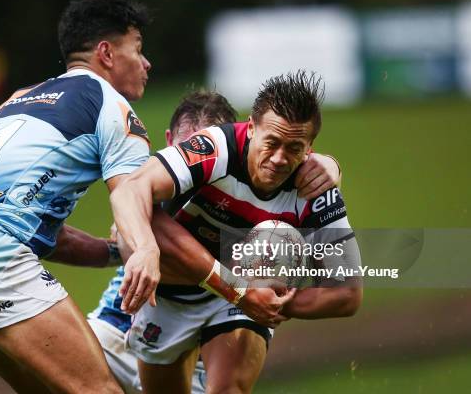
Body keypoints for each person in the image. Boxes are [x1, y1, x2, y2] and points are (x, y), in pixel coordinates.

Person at [0, 0, 158, 393]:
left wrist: (114, 252)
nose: (146, 64)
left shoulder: (18, 99)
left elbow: (34, 224)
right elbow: (130, 196)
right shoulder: (111, 106)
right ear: (107, 53)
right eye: (139, 50)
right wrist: (143, 248)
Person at [51, 89, 343, 393]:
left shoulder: (247, 176)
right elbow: (120, 231)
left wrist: (326, 164)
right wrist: (136, 245)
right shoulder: (157, 187)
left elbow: (343, 292)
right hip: (124, 322)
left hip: (209, 335)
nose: (196, 168)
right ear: (170, 144)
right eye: (187, 148)